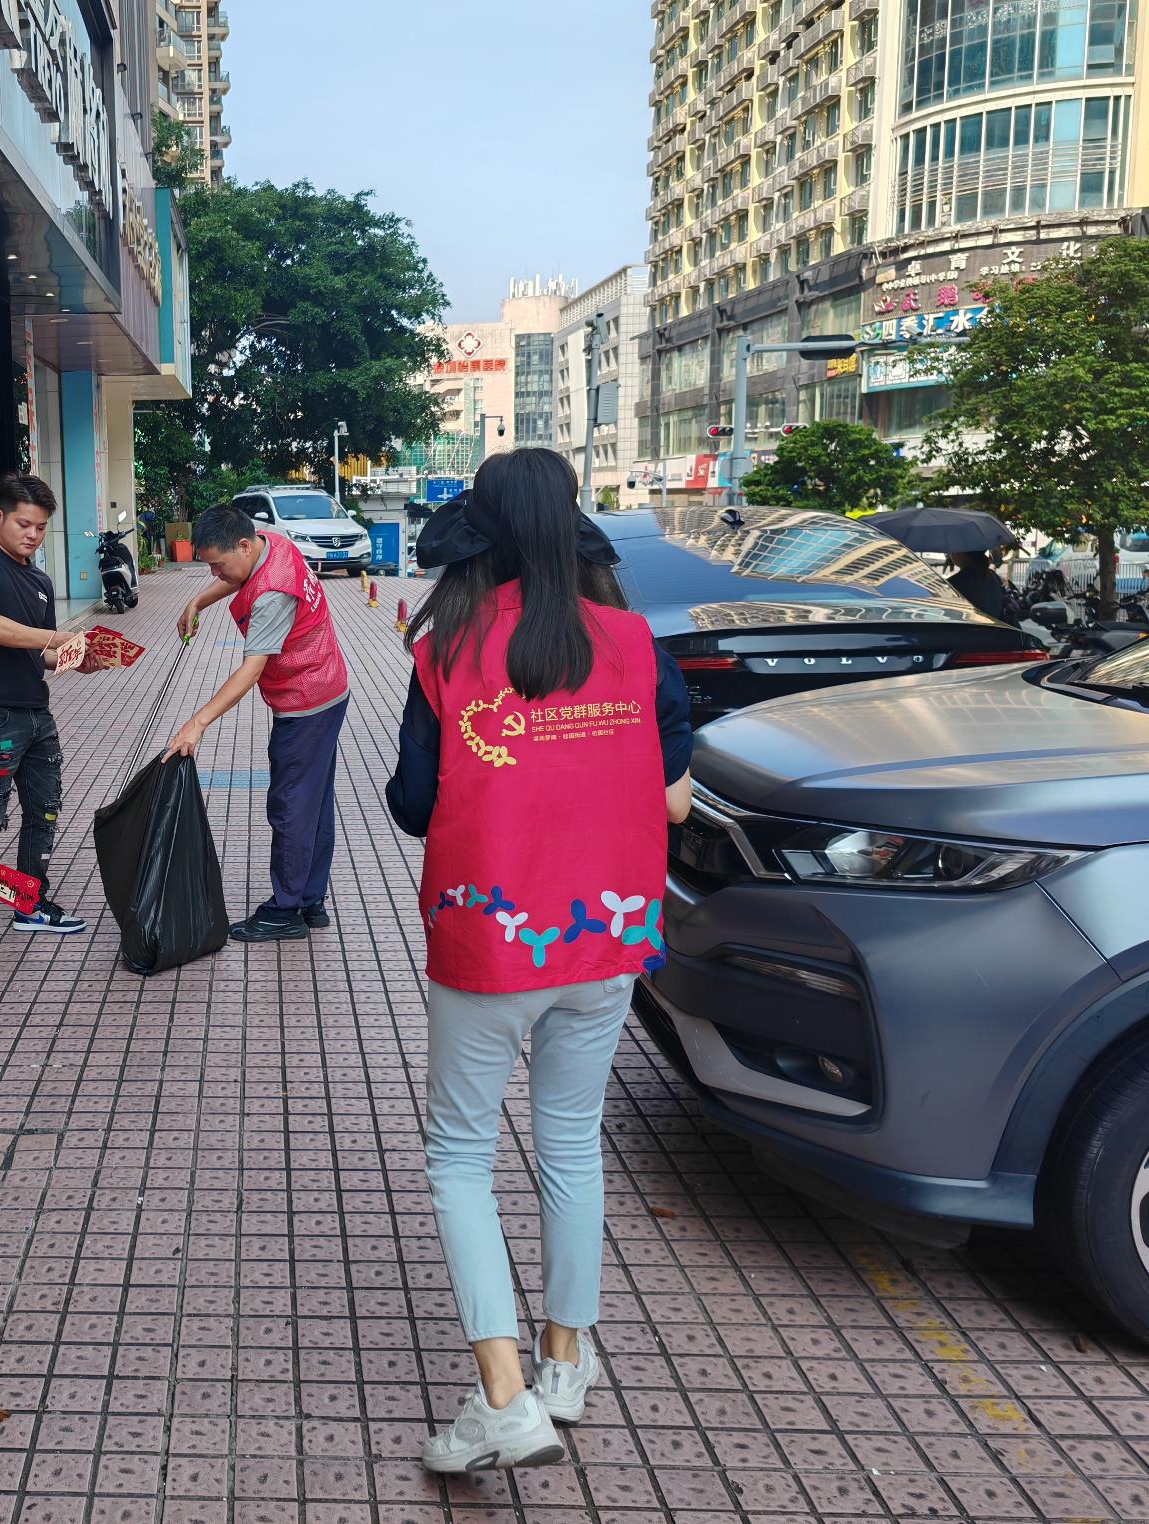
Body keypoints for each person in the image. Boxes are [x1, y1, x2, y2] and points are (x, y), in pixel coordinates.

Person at [385, 450, 694, 1474]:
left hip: (487, 938)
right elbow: (674, 800)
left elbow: (413, 805)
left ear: (480, 531)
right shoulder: (633, 641)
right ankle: (565, 1364)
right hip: (605, 938)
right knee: (569, 1145)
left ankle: (503, 1400)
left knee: (458, 1157)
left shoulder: (447, 645)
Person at [163, 502, 350, 942]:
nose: (215, 574)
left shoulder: (271, 595)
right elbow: (236, 577)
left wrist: (197, 722)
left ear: (244, 546)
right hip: (329, 687)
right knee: (314, 801)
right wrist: (197, 601)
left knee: (291, 806)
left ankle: (285, 910)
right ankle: (310, 900)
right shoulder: (273, 542)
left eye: (218, 565)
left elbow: (250, 670)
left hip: (306, 702)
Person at [0, 473, 102, 942]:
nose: (32, 534)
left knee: (43, 811)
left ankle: (26, 903)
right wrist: (57, 637)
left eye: (41, 527)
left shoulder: (41, 581)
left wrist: (78, 659)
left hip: (35, 712)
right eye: (24, 524)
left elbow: (42, 654)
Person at [948, 549, 1017, 625]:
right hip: (996, 628)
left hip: (972, 630)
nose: (950, 554)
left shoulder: (956, 582)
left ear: (962, 554)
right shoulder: (993, 576)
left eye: (953, 550)